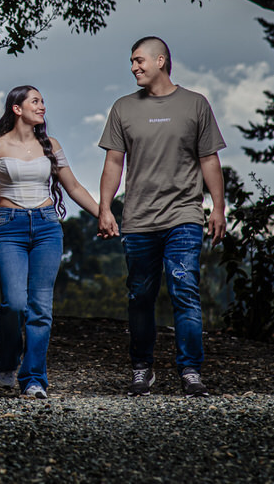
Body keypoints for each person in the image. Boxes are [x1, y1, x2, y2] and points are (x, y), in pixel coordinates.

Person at [96, 36, 227, 397]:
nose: (134, 67)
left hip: (184, 215)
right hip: (138, 219)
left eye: (139, 60)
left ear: (161, 60)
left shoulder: (195, 105)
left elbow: (209, 160)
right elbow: (113, 163)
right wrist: (105, 208)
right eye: (132, 62)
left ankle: (190, 371)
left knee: (184, 289)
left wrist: (218, 207)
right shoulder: (123, 108)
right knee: (140, 295)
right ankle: (142, 368)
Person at [0, 85, 100, 399]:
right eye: (35, 101)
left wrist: (104, 213)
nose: (42, 106)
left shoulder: (51, 145)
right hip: (9, 228)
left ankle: (33, 379)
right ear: (17, 108)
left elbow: (72, 186)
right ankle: (6, 359)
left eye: (43, 101)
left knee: (40, 308)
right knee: (14, 303)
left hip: (47, 228)